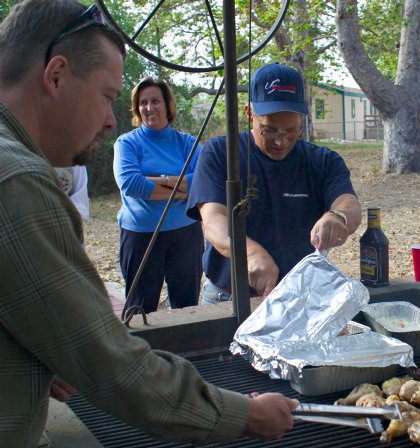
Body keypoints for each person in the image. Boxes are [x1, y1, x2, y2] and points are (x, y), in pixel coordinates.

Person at [0, 2, 297, 447]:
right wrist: (244, 414)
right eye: (106, 96)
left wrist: (38, 359)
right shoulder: (18, 182)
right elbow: (108, 362)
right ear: (55, 75)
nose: (109, 119)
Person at [187, 62, 362, 302]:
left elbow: (349, 204)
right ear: (249, 113)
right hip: (228, 297)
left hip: (300, 297)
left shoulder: (322, 160)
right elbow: (214, 222)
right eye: (269, 130)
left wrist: (337, 216)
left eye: (291, 131)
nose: (281, 142)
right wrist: (251, 254)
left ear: (302, 118)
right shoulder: (220, 153)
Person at [113, 78, 204, 313]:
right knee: (140, 310)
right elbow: (132, 185)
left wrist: (156, 180)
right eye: (143, 103)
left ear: (167, 105)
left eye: (155, 101)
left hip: (186, 235)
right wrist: (179, 187)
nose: (149, 108)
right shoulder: (127, 143)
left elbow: (202, 183)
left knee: (187, 308)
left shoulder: (188, 144)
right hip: (141, 236)